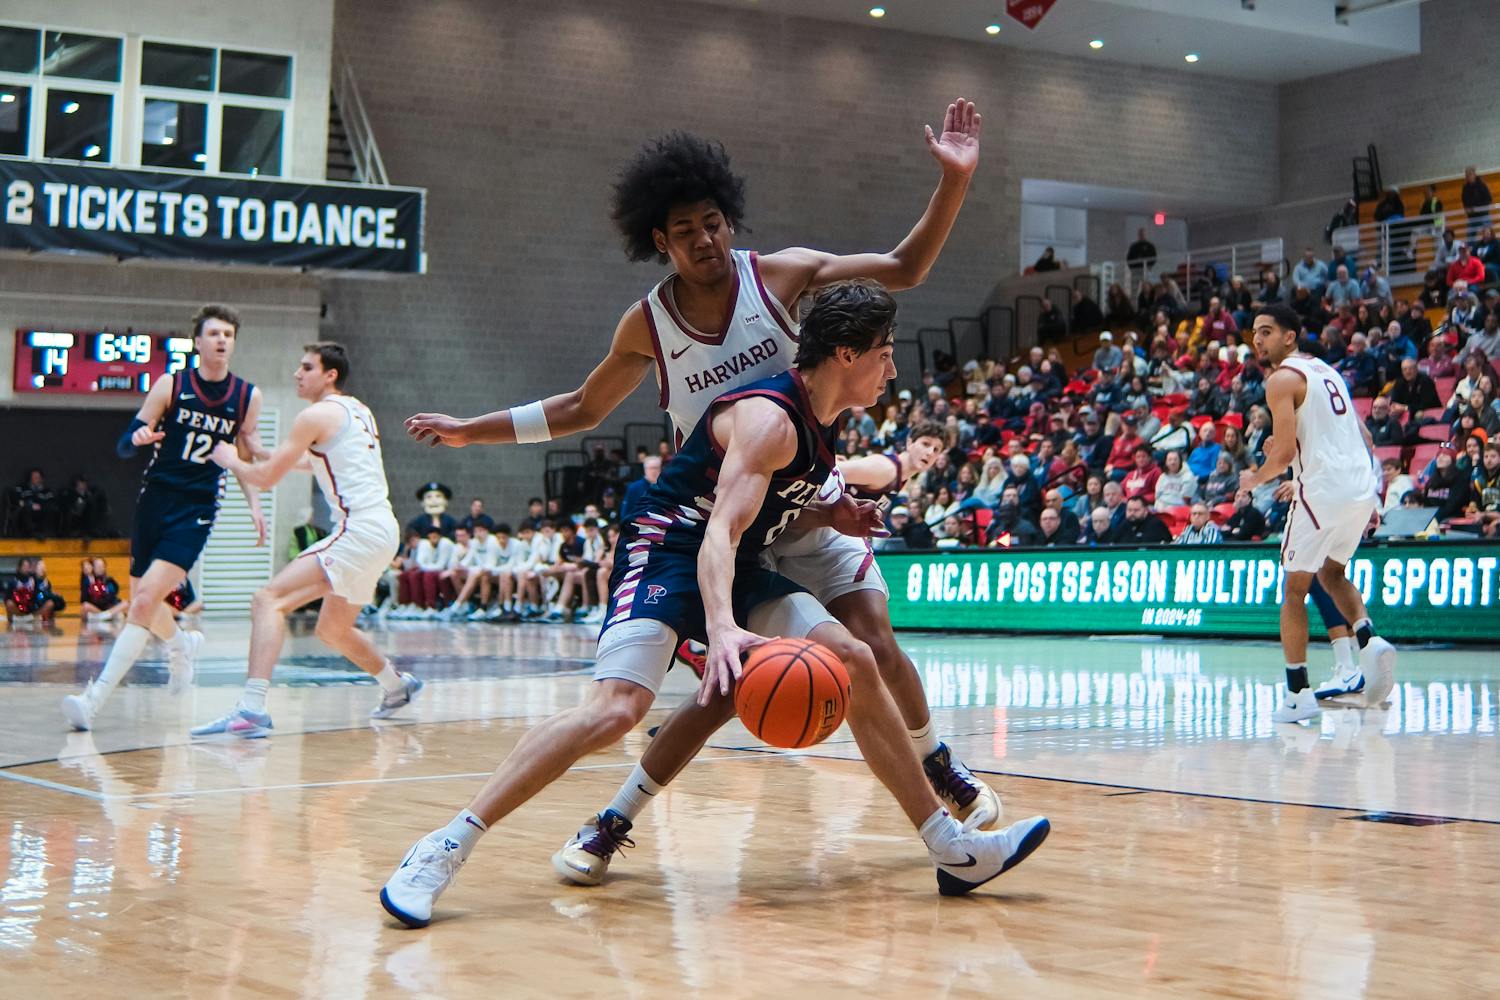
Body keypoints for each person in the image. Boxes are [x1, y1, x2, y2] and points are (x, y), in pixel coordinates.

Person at [403, 102, 1003, 854]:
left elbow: (905, 269)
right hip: (719, 515)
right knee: (725, 688)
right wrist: (473, 427)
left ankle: (937, 766)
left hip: (800, 492)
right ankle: (609, 820)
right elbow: (581, 407)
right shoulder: (648, 324)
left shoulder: (778, 276)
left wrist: (954, 181)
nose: (706, 240)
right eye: (686, 231)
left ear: (730, 220)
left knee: (871, 638)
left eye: (714, 222)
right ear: (660, 241)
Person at [381, 282, 1049, 927]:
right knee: (618, 708)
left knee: (854, 657)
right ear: (848, 355)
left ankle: (950, 849)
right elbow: (719, 533)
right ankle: (446, 844)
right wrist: (724, 628)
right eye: (885, 351)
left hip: (735, 560)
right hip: (669, 547)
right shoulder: (771, 420)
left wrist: (828, 515)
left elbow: (762, 521)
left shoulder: (820, 424)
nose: (891, 366)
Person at [190, 344, 419, 738]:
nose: (298, 373)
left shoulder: (313, 415)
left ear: (330, 375)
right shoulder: (356, 409)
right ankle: (397, 686)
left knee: (267, 600)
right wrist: (262, 452)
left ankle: (251, 709)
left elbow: (264, 480)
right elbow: (313, 460)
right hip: (382, 530)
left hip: (358, 529)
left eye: (307, 367)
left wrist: (232, 460)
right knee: (332, 630)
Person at [61, 305, 266, 732]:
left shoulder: (247, 396)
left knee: (142, 601)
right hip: (155, 501)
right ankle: (180, 644)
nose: (221, 340)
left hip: (197, 508)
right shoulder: (171, 384)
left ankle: (93, 700)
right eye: (213, 333)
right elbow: (125, 442)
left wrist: (254, 504)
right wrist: (136, 437)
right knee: (143, 599)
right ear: (198, 341)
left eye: (228, 334)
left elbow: (245, 457)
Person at [1238, 305, 1396, 724]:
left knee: (1294, 590)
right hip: (1361, 489)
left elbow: (1286, 454)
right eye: (1255, 333)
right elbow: (1362, 434)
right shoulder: (1329, 371)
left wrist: (1254, 479)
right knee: (1333, 574)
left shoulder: (1280, 380)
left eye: (1267, 332)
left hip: (1321, 491)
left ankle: (1297, 694)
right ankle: (1368, 639)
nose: (1258, 340)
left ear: (1290, 338)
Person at [79, 557, 124, 624]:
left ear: (104, 567)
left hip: (108, 607)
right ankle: (104, 616)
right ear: (93, 568)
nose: (99, 568)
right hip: (97, 609)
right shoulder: (87, 581)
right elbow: (83, 599)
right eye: (97, 566)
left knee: (125, 604)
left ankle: (104, 616)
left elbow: (111, 596)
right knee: (85, 607)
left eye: (101, 566)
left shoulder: (109, 580)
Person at [1461, 166, 1492, 241]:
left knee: (1488, 234)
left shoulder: (1482, 185)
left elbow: (1489, 199)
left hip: (1483, 215)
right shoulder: (1465, 188)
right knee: (1470, 237)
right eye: (1467, 175)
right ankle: (1471, 251)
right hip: (1472, 217)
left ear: (1474, 175)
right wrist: (1467, 209)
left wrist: (1476, 208)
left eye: (1470, 174)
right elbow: (1464, 201)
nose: (1468, 177)